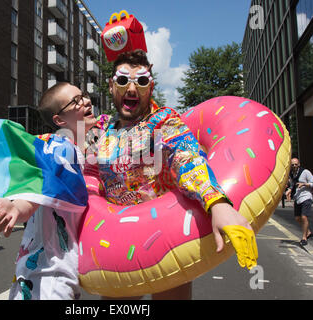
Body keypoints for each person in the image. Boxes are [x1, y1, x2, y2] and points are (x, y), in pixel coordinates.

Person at [84, 49, 256, 300]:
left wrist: (217, 202)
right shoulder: (101, 131)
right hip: (116, 239)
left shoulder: (164, 121)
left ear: (150, 88)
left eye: (141, 81)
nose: (132, 88)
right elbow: (89, 175)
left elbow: (187, 157)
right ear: (111, 86)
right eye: (123, 80)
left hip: (162, 234)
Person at [0, 83, 97, 300]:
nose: (86, 101)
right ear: (59, 120)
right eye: (76, 101)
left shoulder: (74, 150)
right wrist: (17, 208)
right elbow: (43, 185)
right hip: (48, 279)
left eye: (83, 95)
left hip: (39, 275)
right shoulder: (61, 148)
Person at [285, 158, 313, 246]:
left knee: (304, 217)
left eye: (296, 164)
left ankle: (304, 238)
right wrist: (289, 190)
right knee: (298, 218)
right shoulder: (291, 174)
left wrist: (304, 184)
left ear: (299, 164)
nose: (294, 166)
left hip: (306, 197)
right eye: (292, 165)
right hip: (297, 198)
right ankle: (308, 232)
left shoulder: (305, 172)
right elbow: (293, 185)